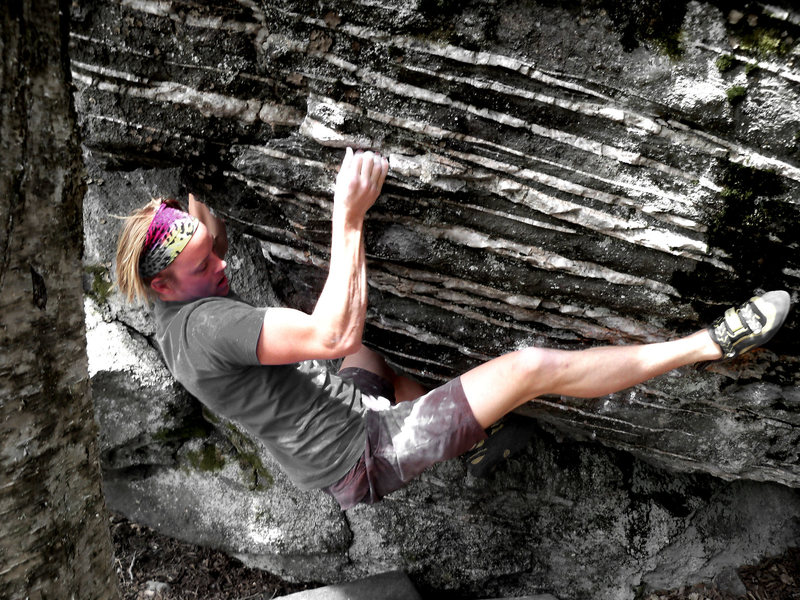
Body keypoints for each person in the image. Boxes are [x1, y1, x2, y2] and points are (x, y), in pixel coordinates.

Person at [114, 148, 791, 509]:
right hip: (363, 456)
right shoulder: (207, 326)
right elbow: (330, 336)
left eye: (217, 251)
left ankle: (466, 444)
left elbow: (344, 354)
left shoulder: (174, 316)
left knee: (379, 365)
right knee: (529, 368)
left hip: (338, 426)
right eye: (206, 266)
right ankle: (711, 343)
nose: (225, 267)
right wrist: (348, 217)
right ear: (165, 285)